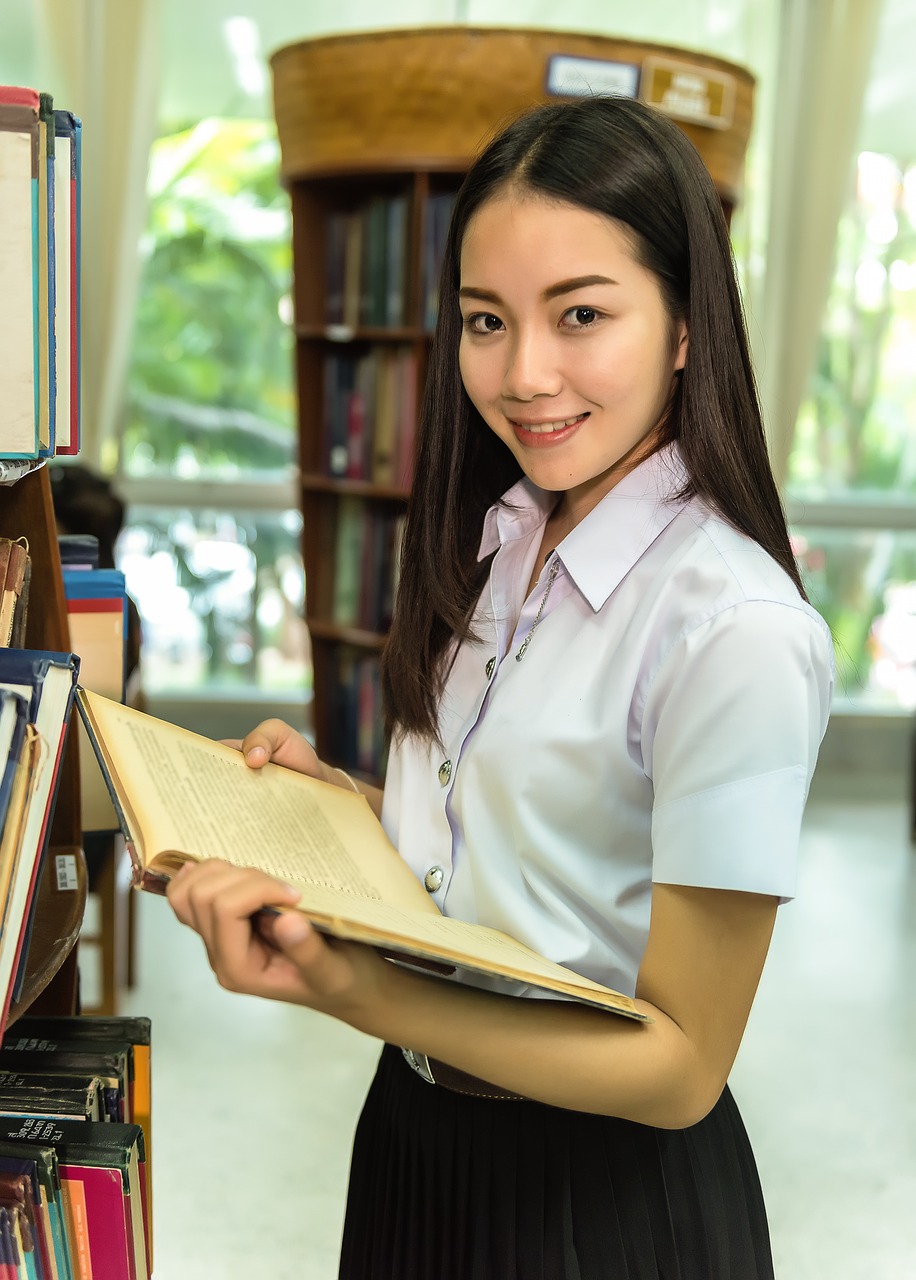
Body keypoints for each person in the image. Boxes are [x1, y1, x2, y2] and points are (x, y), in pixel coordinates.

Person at [166, 94, 834, 1279]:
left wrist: (361, 989)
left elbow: (682, 1065)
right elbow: (518, 860)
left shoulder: (733, 626)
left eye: (581, 313)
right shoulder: (505, 535)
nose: (525, 373)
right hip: (417, 1138)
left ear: (686, 323)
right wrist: (350, 813)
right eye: (485, 320)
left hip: (598, 1198)